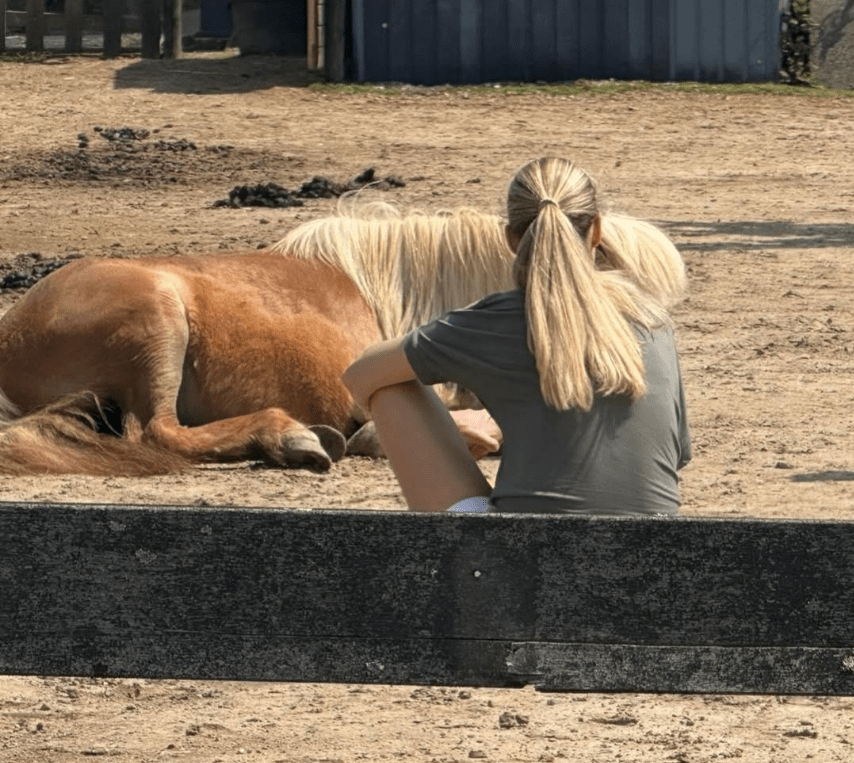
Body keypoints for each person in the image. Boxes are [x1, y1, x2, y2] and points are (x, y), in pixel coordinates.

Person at [342, 157, 691, 515]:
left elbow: (359, 374)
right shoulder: (653, 321)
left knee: (390, 384)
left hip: (513, 562)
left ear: (510, 239)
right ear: (597, 231)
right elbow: (672, 457)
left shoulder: (494, 319)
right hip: (653, 558)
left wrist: (453, 423)